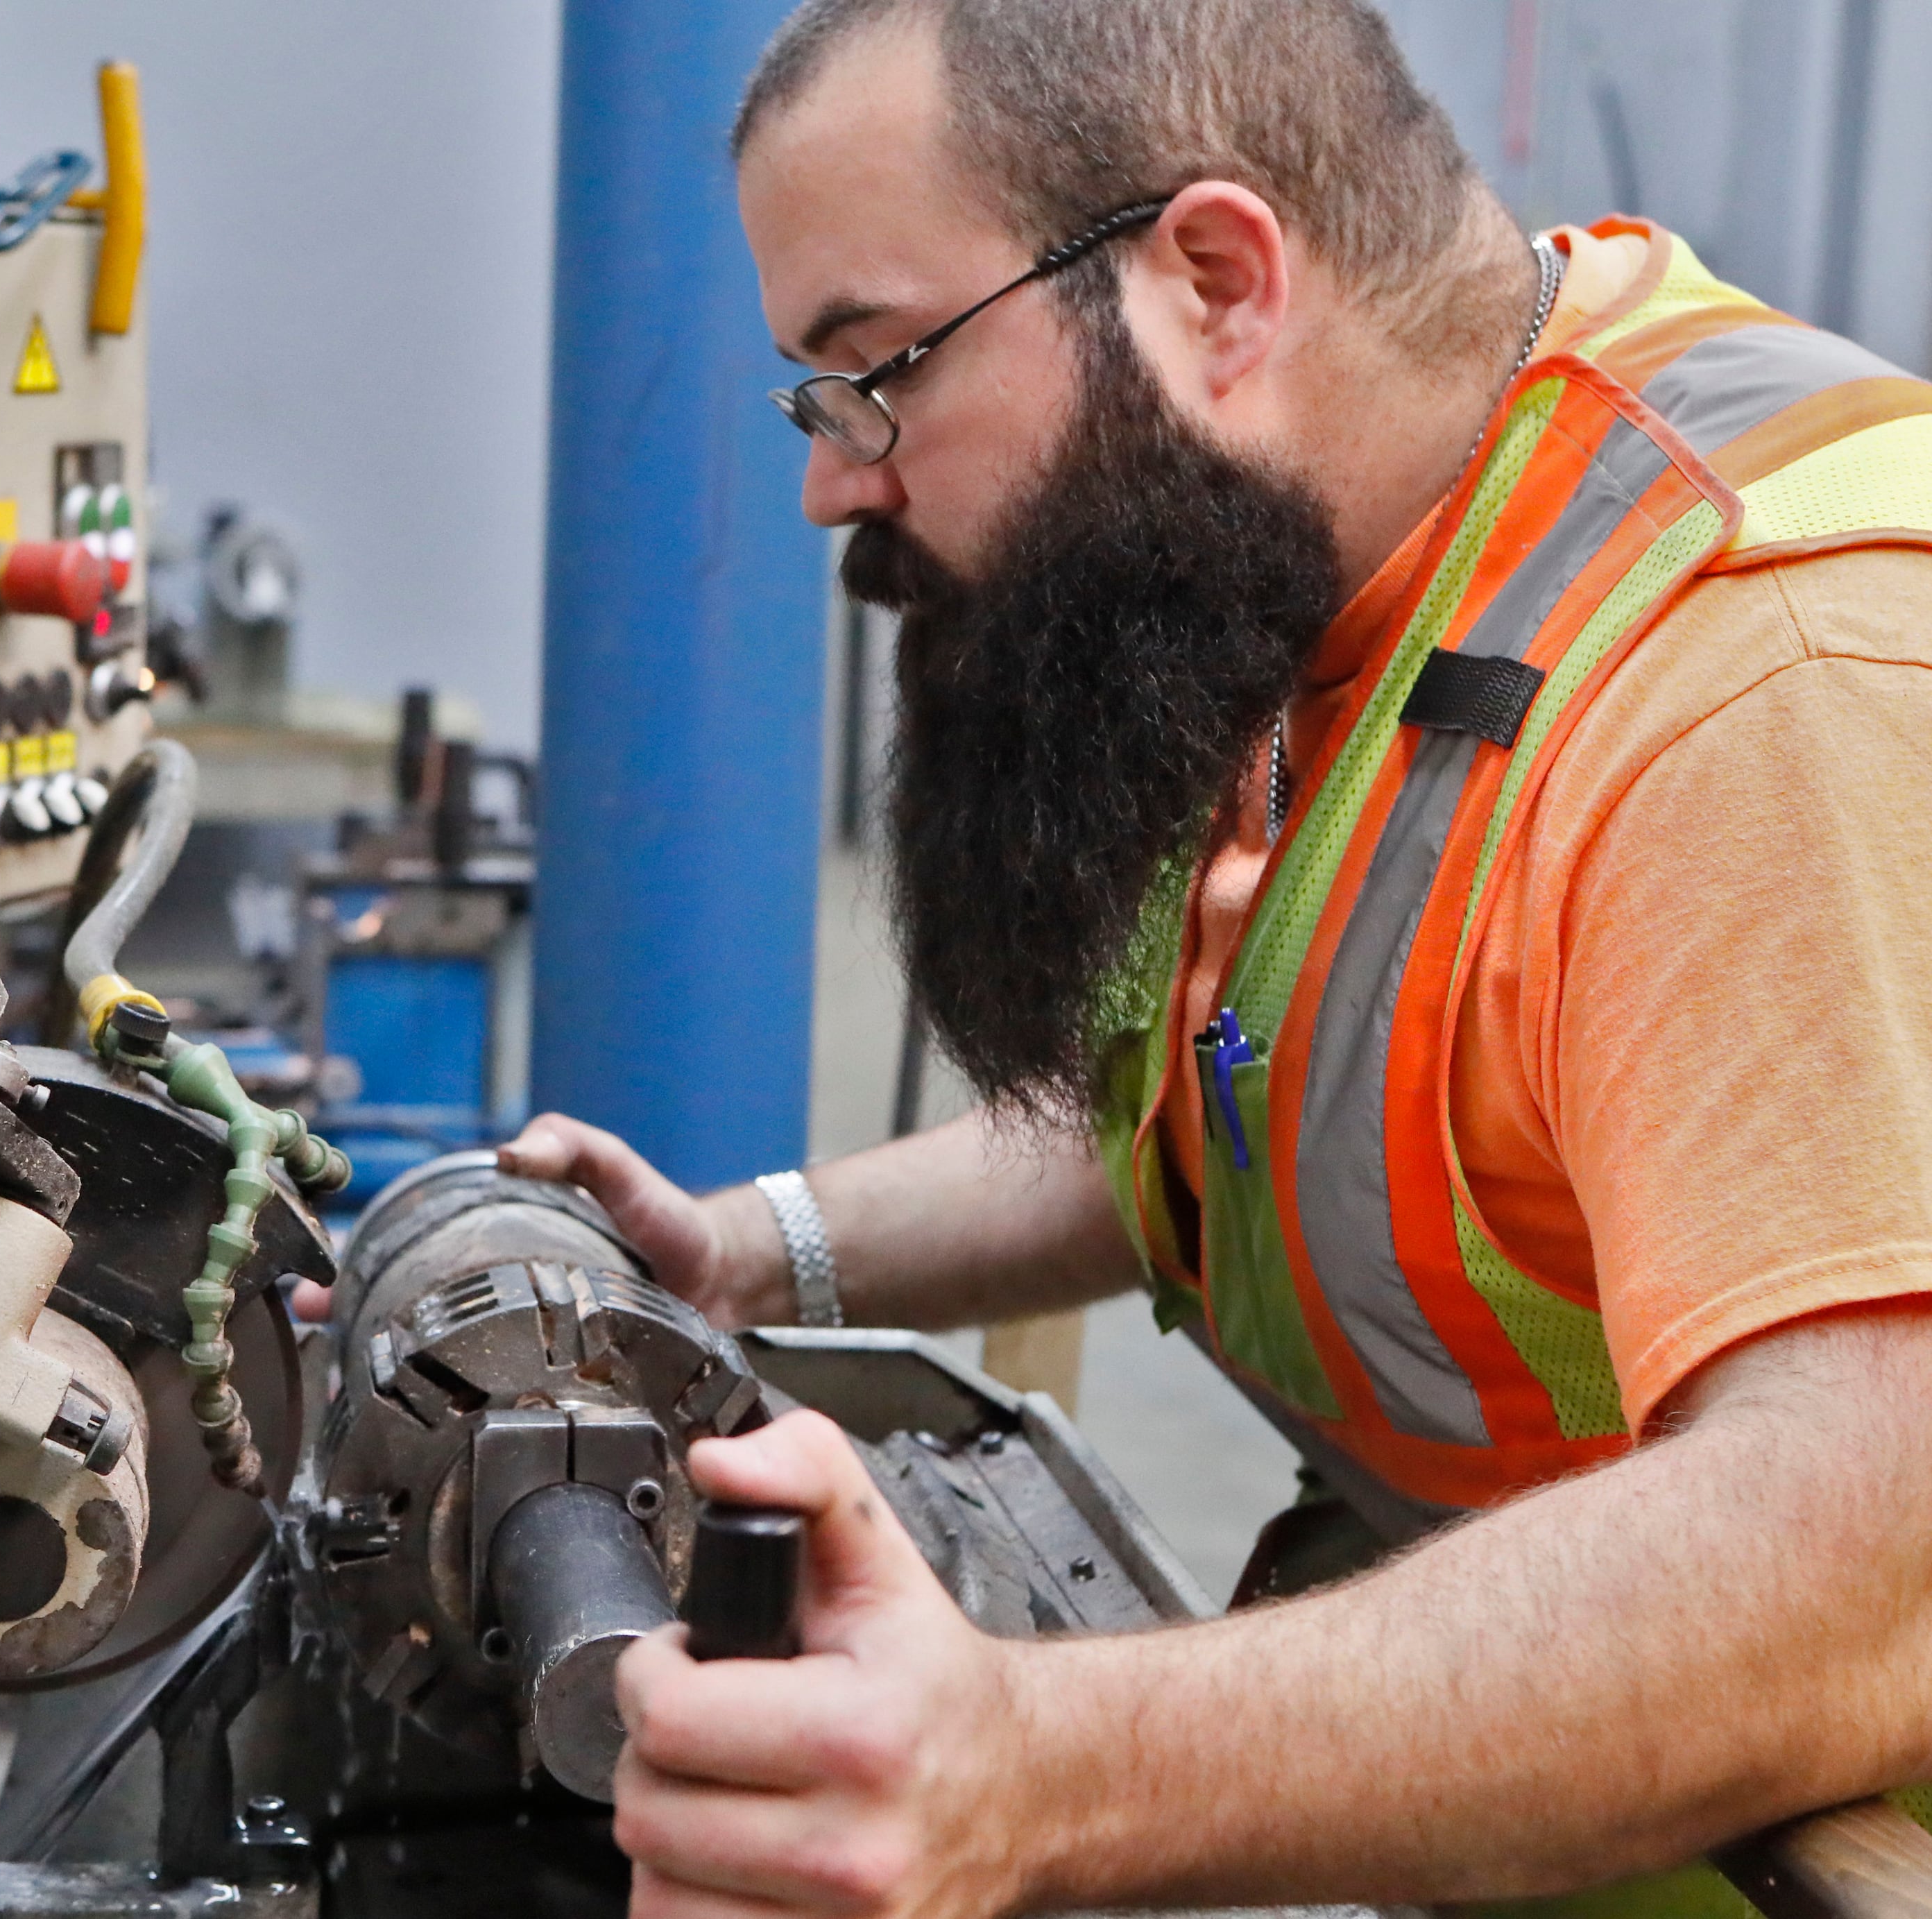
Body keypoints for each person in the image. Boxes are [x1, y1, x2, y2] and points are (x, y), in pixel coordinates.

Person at [491, 1, 1932, 1913]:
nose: (840, 482)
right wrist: (754, 1247)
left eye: (880, 371)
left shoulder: (1767, 682)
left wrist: (1032, 1770)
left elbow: (1855, 1570)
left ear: (1218, 286)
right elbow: (1242, 1102)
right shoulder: (1304, 577)